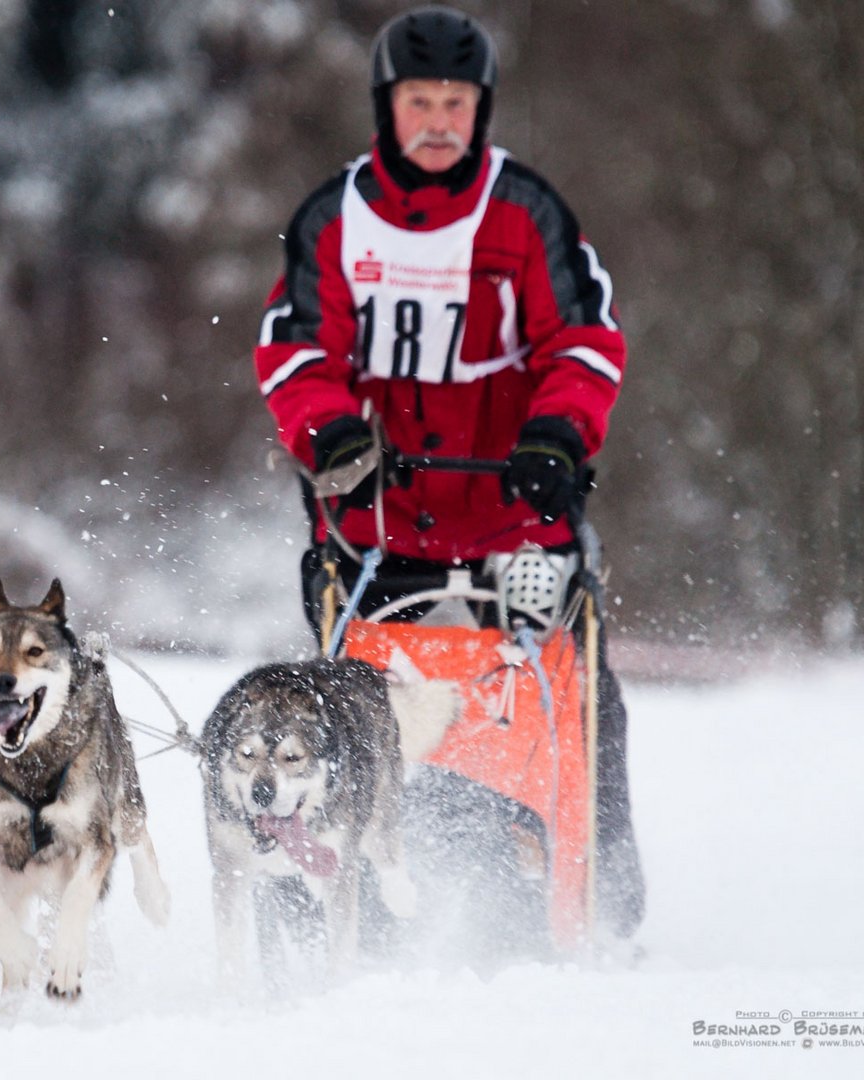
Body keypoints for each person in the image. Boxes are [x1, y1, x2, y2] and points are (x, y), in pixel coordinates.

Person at [252, 5, 643, 938]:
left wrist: (558, 435)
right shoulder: (334, 219)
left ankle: (598, 885)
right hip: (377, 526)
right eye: (419, 101)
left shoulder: (526, 213)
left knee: (580, 694)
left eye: (456, 103)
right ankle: (338, 896)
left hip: (518, 518)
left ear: (483, 110)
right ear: (387, 109)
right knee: (351, 707)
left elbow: (585, 341)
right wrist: (333, 435)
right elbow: (294, 348)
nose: (437, 122)